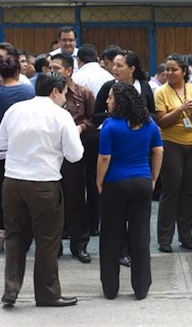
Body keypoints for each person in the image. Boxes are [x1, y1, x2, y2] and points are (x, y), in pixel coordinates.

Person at [0, 72, 83, 307]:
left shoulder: (14, 110)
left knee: (15, 237)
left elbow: (1, 146)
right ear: (55, 91)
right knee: (47, 240)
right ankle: (47, 293)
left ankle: (11, 289)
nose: (66, 98)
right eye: (65, 93)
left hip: (13, 181)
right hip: (44, 183)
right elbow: (75, 156)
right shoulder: (61, 115)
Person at [97, 82, 163, 300]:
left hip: (115, 183)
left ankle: (110, 288)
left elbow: (105, 157)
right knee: (140, 236)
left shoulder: (110, 125)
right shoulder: (148, 123)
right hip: (142, 182)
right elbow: (158, 150)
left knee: (111, 236)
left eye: (110, 97)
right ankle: (141, 287)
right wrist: (153, 178)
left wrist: (99, 182)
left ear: (120, 101)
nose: (107, 101)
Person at [94, 50, 155, 265]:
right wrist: (118, 115)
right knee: (115, 219)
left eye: (120, 65)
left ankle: (132, 252)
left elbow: (153, 116)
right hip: (114, 146)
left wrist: (140, 116)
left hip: (139, 152)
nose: (115, 69)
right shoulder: (107, 88)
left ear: (132, 69)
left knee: (137, 221)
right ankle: (120, 252)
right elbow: (95, 116)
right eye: (114, 65)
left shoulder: (144, 87)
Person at [154, 53, 192, 253]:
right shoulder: (161, 92)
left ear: (184, 71)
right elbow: (162, 121)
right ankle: (164, 239)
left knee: (187, 192)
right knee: (171, 190)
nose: (169, 73)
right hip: (171, 145)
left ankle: (186, 237)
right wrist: (181, 109)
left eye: (174, 69)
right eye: (167, 69)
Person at [50, 53, 94, 264]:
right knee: (52, 201)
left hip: (75, 154)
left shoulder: (83, 93)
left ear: (68, 70)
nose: (51, 72)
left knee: (76, 199)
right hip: (50, 154)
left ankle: (79, 245)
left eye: (56, 68)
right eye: (50, 68)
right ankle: (55, 245)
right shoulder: (47, 93)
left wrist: (80, 127)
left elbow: (94, 119)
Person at [72, 44, 114, 237]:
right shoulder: (107, 76)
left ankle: (79, 224)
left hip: (80, 132)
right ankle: (95, 224)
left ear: (79, 61)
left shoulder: (76, 77)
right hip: (103, 132)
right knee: (96, 179)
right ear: (97, 59)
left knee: (77, 180)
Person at [0, 55, 35, 251]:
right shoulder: (29, 91)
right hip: (24, 149)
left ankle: (4, 232)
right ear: (18, 72)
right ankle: (24, 232)